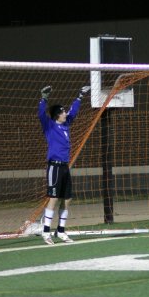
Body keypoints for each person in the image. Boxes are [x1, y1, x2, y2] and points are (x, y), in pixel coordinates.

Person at [38, 84, 90, 245]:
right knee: (53, 198)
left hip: (65, 167)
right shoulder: (50, 126)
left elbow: (74, 111)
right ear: (56, 116)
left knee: (67, 199)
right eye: (62, 112)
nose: (65, 113)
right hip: (54, 166)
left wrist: (80, 96)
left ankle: (60, 231)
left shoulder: (66, 125)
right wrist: (44, 99)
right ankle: (45, 232)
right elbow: (41, 114)